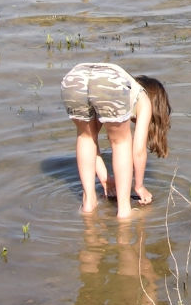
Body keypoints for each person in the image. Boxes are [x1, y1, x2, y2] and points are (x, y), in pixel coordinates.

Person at [61, 62, 171, 217]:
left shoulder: (128, 85)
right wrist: (139, 186)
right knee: (121, 142)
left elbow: (93, 145)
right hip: (108, 81)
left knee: (86, 136)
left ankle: (89, 202)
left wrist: (106, 178)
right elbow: (138, 151)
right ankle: (124, 211)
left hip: (73, 77)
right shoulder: (142, 97)